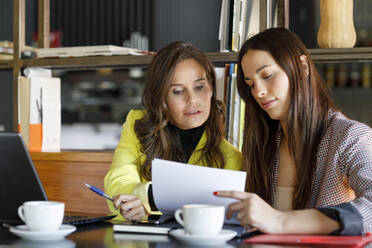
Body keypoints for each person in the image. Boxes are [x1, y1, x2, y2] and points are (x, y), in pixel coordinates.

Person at [215, 28, 372, 235]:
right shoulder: (263, 143)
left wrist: (281, 221)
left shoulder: (350, 137)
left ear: (302, 66)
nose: (258, 92)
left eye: (267, 75)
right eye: (250, 84)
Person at [104, 41, 242, 221]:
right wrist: (140, 201)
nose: (192, 100)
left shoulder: (231, 157)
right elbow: (118, 180)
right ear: (161, 98)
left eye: (200, 87)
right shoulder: (137, 124)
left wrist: (151, 202)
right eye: (177, 91)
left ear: (211, 90)